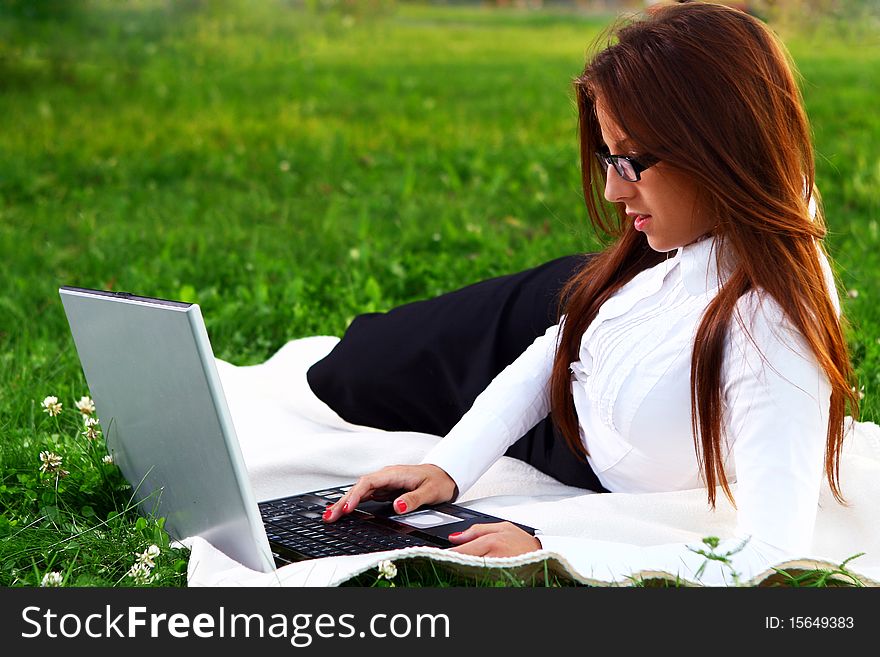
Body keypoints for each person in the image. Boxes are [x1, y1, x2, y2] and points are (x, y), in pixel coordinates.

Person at [312, 1, 859, 583]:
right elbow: (558, 346)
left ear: (719, 148)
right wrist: (447, 466)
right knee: (343, 371)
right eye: (607, 158)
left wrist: (553, 545)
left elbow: (770, 555)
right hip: (556, 315)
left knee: (358, 380)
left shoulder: (770, 329)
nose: (610, 191)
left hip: (581, 414)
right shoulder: (691, 238)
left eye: (629, 162)